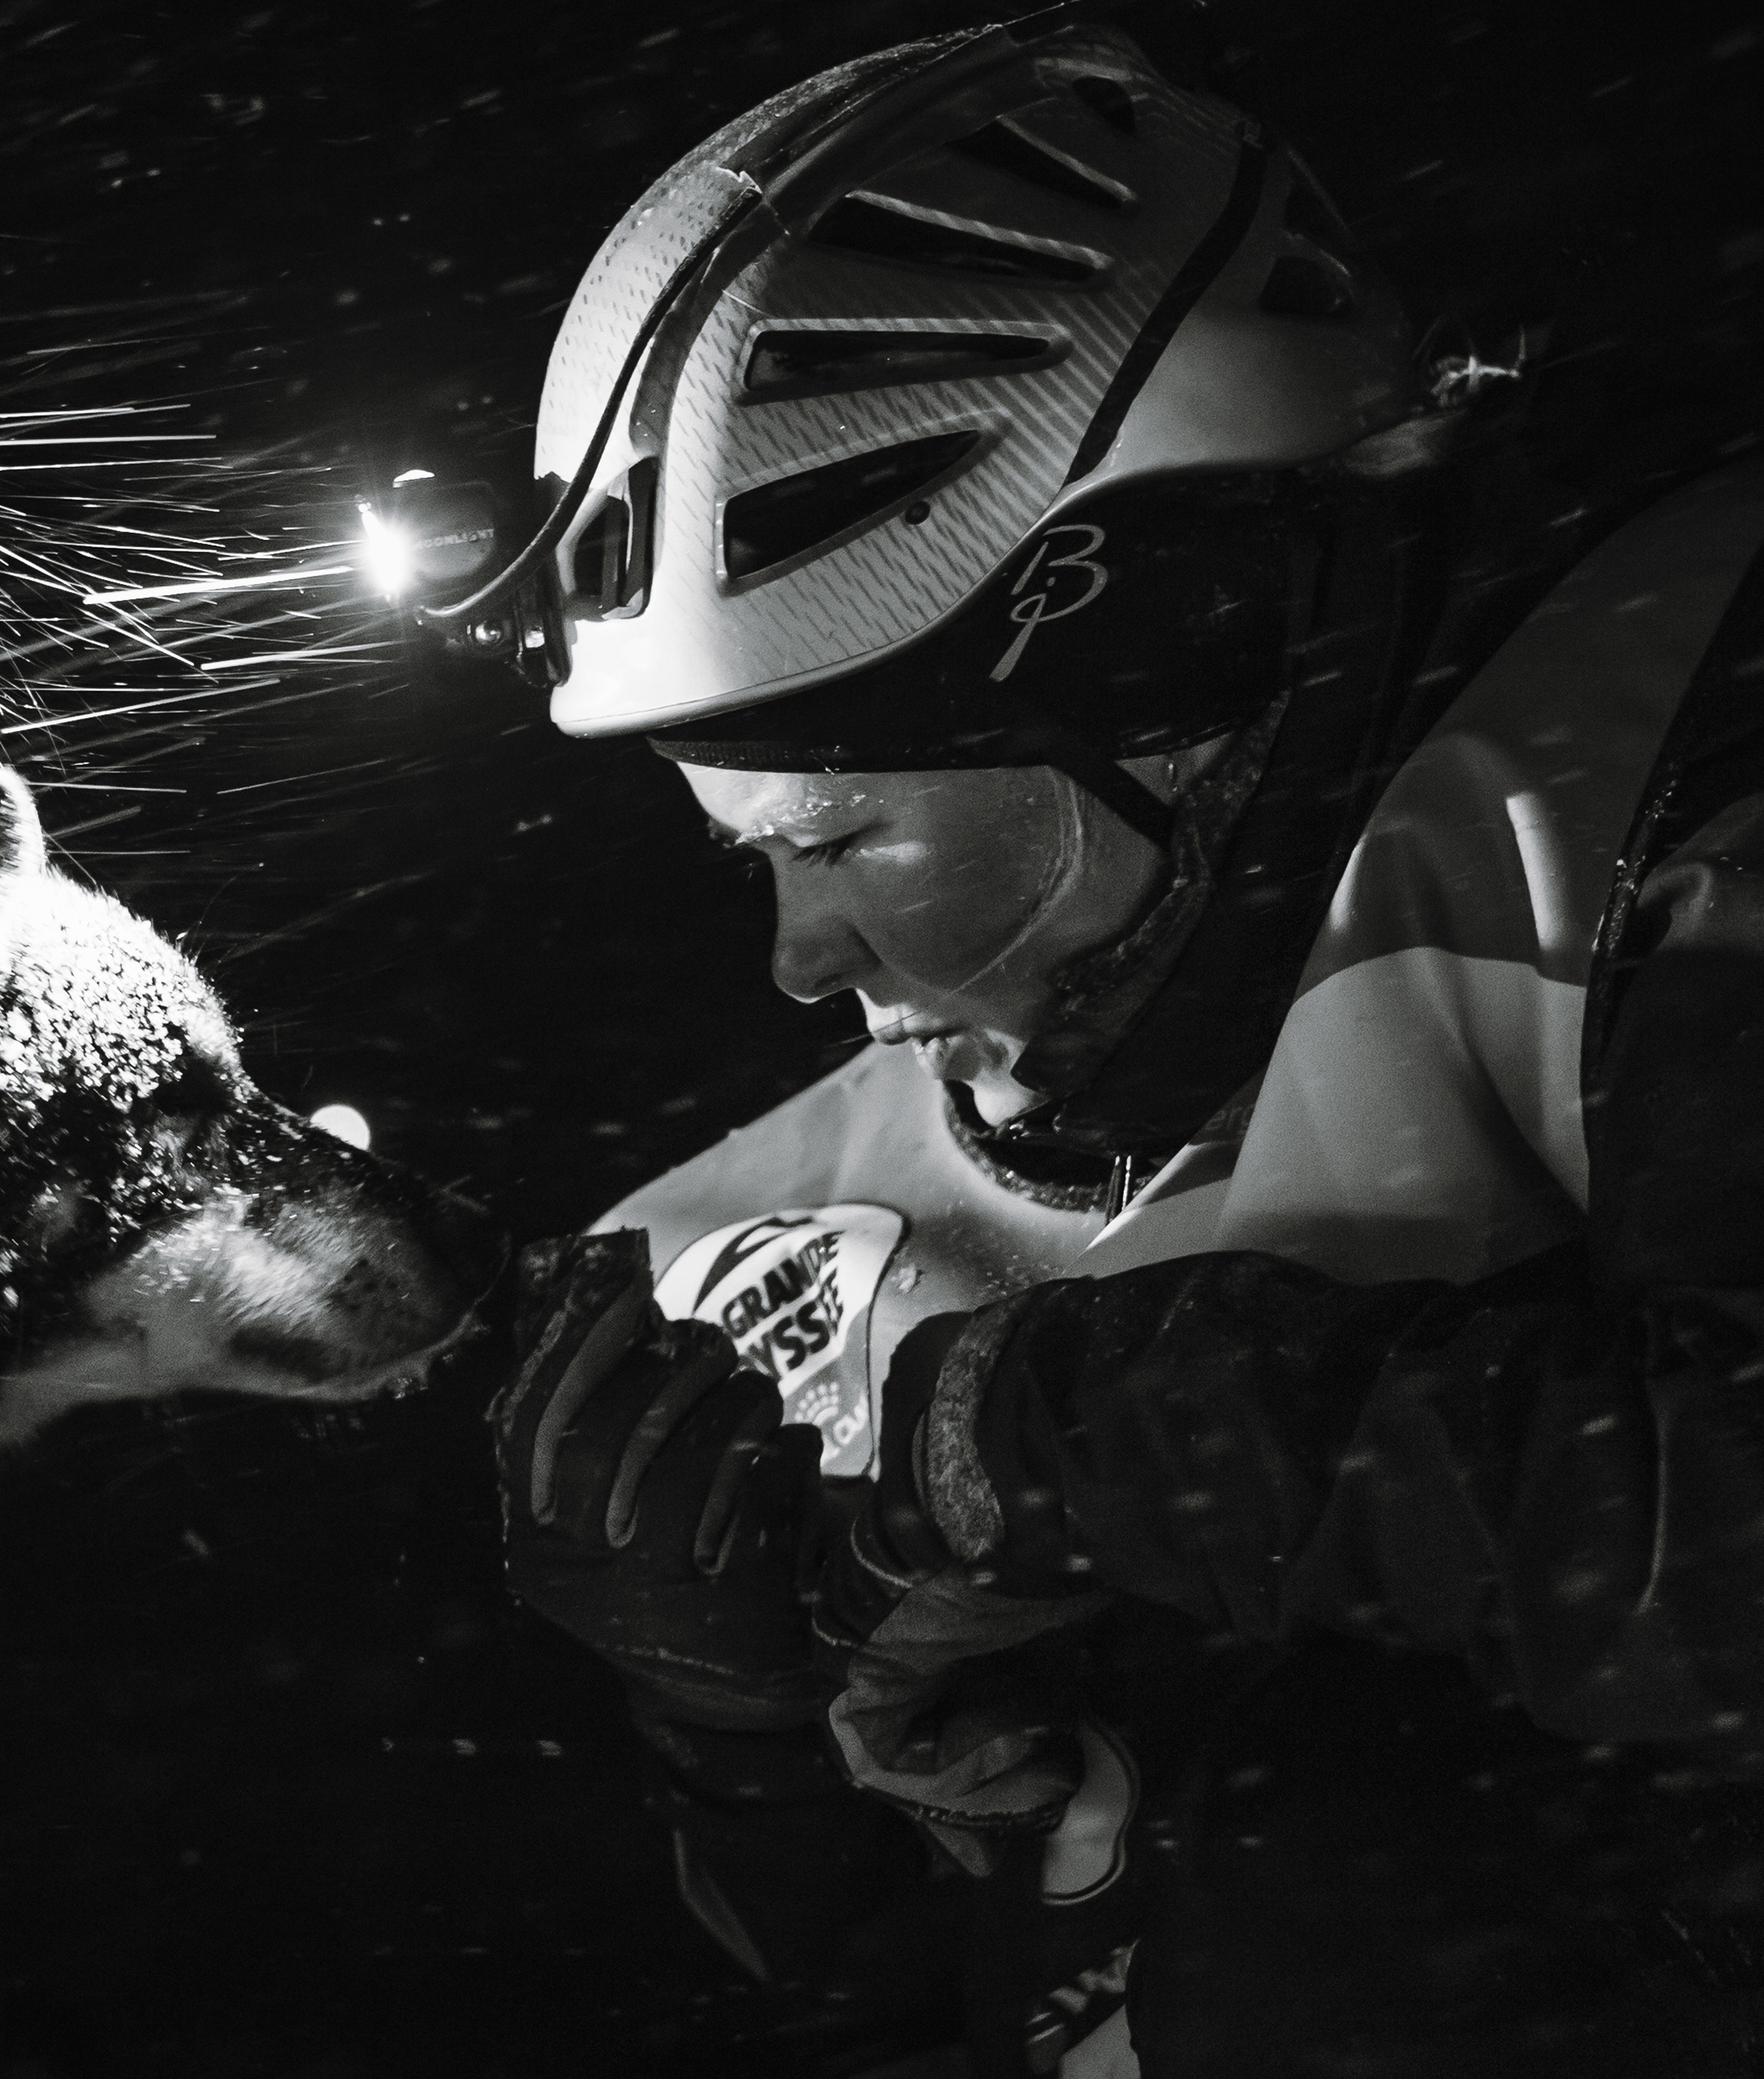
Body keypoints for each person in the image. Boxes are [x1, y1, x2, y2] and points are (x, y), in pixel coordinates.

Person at [448, 16, 1764, 2077]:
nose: (802, 957)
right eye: (742, 857)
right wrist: (742, 1742)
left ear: (1168, 664)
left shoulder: (1680, 765)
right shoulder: (764, 1250)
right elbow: (901, 2019)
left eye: (849, 831)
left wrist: (1140, 1426)